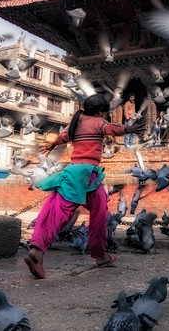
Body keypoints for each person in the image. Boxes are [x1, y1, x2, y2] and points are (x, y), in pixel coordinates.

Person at [24, 94, 145, 279]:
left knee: (55, 211)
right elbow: (111, 128)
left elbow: (65, 137)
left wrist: (52, 143)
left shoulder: (78, 122)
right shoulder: (97, 121)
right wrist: (129, 129)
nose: (106, 116)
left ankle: (38, 249)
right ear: (99, 112)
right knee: (98, 215)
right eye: (105, 112)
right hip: (88, 176)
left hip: (73, 173)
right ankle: (98, 255)